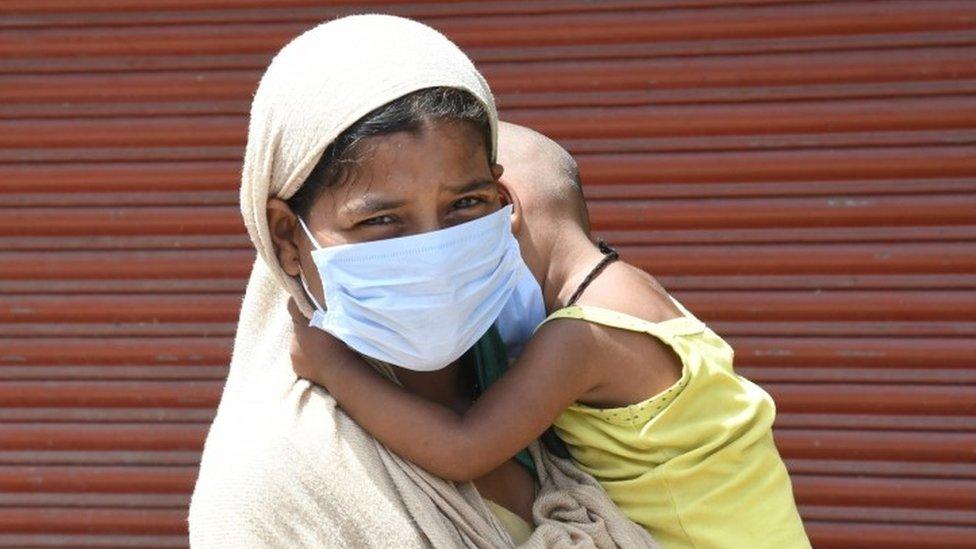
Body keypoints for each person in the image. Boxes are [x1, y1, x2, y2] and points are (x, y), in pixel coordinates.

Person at [189, 14, 654, 548]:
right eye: (380, 220)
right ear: (287, 238)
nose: (433, 251)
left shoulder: (541, 382)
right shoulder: (271, 487)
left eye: (465, 204)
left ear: (501, 197)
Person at [289, 121, 812, 548]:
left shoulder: (582, 337)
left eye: (464, 209)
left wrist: (334, 367)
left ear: (504, 205)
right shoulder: (634, 292)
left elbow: (465, 449)